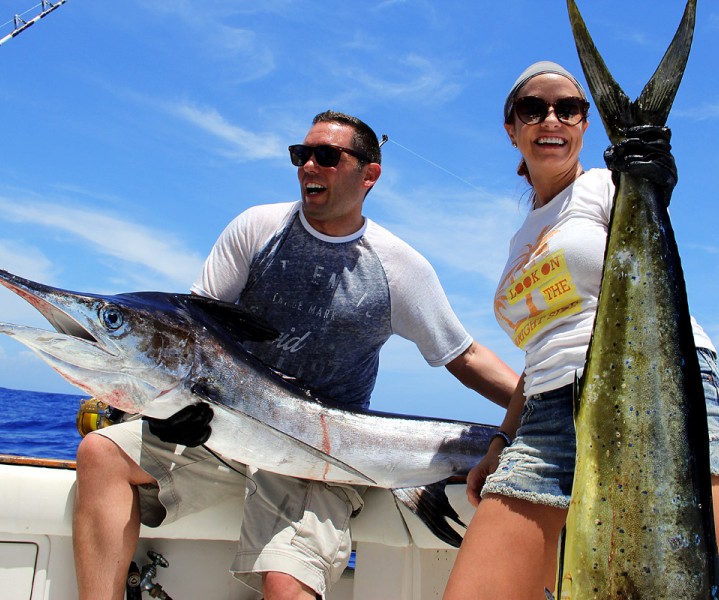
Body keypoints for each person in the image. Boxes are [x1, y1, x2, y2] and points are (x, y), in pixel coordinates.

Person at [72, 110, 518, 600]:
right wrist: (167, 413)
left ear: (369, 174)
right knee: (101, 452)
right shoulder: (255, 228)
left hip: (321, 456)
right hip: (222, 432)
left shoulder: (399, 268)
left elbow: (464, 356)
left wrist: (544, 405)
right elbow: (190, 332)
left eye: (326, 156)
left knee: (287, 586)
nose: (309, 166)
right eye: (300, 155)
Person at [443, 62, 719, 600]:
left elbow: (651, 217)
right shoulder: (523, 234)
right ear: (511, 128)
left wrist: (651, 179)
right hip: (548, 418)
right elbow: (541, 350)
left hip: (660, 392)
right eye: (533, 108)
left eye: (569, 108)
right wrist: (502, 437)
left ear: (586, 124)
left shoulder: (606, 184)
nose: (552, 118)